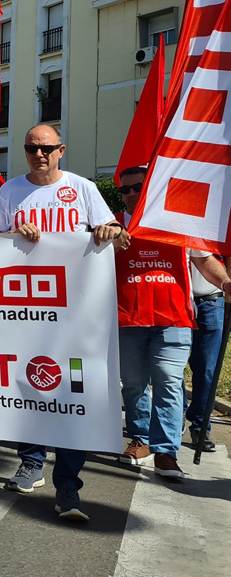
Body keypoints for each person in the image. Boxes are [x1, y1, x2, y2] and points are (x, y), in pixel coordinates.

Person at [0, 124, 124, 521]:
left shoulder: (81, 188)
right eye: (31, 148)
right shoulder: (10, 191)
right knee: (27, 386)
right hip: (26, 311)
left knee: (73, 394)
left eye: (45, 148)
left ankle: (68, 484)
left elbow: (116, 232)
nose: (38, 154)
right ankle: (30, 463)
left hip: (76, 314)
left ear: (61, 150)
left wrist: (109, 229)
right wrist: (13, 233)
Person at [113, 166, 231, 479]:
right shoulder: (113, 224)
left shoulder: (179, 223)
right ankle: (140, 439)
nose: (131, 194)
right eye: (125, 190)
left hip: (173, 320)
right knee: (135, 384)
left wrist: (226, 283)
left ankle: (166, 450)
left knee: (167, 380)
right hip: (128, 319)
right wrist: (108, 241)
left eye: (137, 187)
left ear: (151, 186)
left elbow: (205, 260)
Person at [186, 256, 226, 453]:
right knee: (170, 369)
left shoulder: (219, 225)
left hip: (211, 301)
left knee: (207, 369)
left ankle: (200, 427)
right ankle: (174, 420)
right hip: (176, 300)